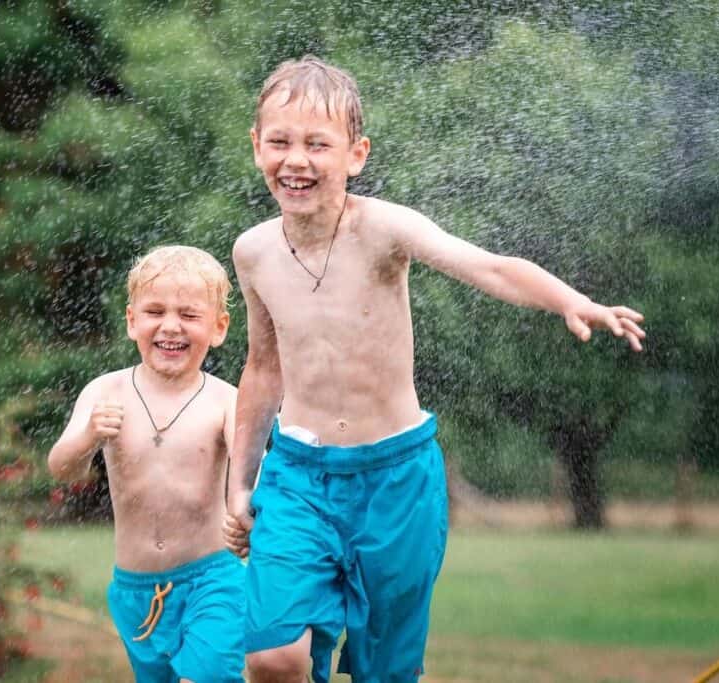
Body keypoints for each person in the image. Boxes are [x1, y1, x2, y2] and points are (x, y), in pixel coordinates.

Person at [223, 56, 646, 683]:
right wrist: (240, 480)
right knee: (272, 658)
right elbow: (261, 369)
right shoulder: (253, 252)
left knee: (386, 672)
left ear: (356, 154)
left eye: (318, 144)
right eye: (280, 141)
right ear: (257, 147)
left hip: (396, 478)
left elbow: (490, 266)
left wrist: (569, 300)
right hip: (298, 475)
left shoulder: (383, 230)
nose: (297, 160)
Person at [49, 245, 245, 683]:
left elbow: (254, 471)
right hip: (135, 592)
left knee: (207, 676)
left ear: (218, 328)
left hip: (213, 578)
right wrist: (88, 437)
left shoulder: (226, 400)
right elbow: (61, 466)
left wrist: (248, 513)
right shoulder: (104, 392)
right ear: (131, 320)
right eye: (155, 311)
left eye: (189, 315)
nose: (170, 326)